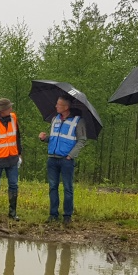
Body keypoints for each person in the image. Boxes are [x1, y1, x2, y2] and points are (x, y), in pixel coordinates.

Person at [38, 96, 88, 224]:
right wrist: (45, 138)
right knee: (52, 187)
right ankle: (53, 214)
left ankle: (67, 216)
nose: (56, 106)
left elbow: (82, 140)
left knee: (67, 188)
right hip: (52, 159)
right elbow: (54, 138)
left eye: (58, 104)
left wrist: (71, 155)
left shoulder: (78, 121)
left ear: (66, 107)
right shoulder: (55, 119)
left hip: (66, 160)